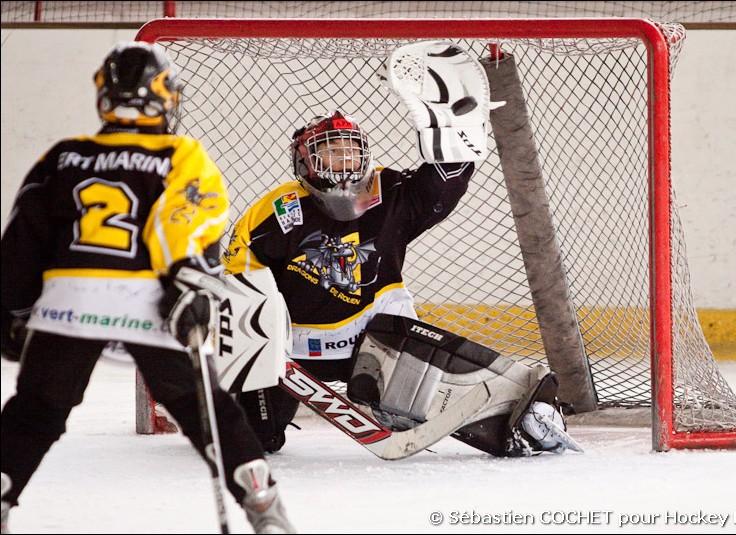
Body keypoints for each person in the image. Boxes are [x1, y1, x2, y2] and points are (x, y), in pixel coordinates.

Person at [223, 41, 579, 458]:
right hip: (292, 350)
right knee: (256, 439)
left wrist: (452, 132)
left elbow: (439, 187)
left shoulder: (387, 191)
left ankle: (524, 411)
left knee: (433, 401)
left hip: (377, 338)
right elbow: (238, 279)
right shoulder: (278, 210)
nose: (341, 161)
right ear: (304, 163)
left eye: (349, 150)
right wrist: (261, 345)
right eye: (329, 152)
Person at [0, 42, 294, 534]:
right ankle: (264, 507)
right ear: (164, 97)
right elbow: (182, 221)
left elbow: (23, 238)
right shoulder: (182, 153)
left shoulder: (64, 156)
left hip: (68, 301)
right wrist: (186, 276)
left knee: (36, 412)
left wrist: (9, 307)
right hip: (149, 300)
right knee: (208, 412)